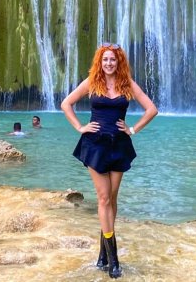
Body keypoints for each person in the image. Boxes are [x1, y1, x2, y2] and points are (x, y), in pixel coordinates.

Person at [61, 43, 158, 279]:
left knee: (112, 199)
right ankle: (114, 259)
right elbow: (66, 103)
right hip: (94, 145)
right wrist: (80, 127)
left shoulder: (128, 84)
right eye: (105, 60)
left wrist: (132, 129)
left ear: (119, 62)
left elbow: (152, 109)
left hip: (119, 145)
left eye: (113, 60)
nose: (109, 63)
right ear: (99, 61)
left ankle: (102, 255)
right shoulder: (92, 82)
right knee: (103, 197)